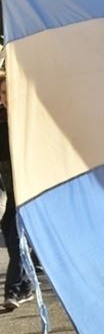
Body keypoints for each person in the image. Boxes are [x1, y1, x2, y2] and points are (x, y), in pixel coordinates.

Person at [0, 71, 34, 311]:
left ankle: (12, 291)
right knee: (14, 239)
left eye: (6, 92)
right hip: (7, 190)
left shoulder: (26, 119)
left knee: (16, 239)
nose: (3, 97)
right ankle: (26, 286)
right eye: (1, 93)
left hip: (26, 188)